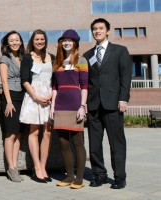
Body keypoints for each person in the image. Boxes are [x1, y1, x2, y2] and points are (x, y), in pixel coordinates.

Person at [83, 18, 132, 189]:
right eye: (95, 29)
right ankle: (99, 175)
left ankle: (119, 176)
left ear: (108, 31)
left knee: (116, 143)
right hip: (94, 105)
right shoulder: (87, 55)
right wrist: (84, 103)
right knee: (94, 144)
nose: (97, 31)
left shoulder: (120, 51)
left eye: (101, 28)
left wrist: (123, 98)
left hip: (113, 104)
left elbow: (125, 77)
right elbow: (86, 82)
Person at [50, 30, 88, 189]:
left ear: (75, 43)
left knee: (77, 142)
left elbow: (85, 86)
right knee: (63, 142)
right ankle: (69, 176)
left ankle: (79, 178)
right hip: (60, 105)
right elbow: (55, 87)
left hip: (75, 104)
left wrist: (82, 106)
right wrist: (52, 107)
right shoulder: (58, 62)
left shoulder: (81, 59)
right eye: (64, 40)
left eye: (69, 40)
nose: (66, 43)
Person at [20, 29, 55, 183]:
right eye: (36, 39)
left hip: (49, 97)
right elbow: (25, 79)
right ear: (32, 42)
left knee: (47, 133)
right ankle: (36, 167)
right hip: (34, 96)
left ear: (45, 40)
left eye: (42, 39)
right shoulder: (27, 58)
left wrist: (50, 95)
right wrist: (36, 96)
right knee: (34, 132)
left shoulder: (52, 57)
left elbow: (56, 79)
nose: (39, 42)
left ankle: (43, 166)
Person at [0, 31, 25, 182]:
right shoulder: (5, 58)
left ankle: (15, 166)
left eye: (17, 40)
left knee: (19, 133)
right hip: (11, 98)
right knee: (10, 133)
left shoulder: (22, 58)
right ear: (7, 43)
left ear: (21, 42)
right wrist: (8, 101)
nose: (14, 42)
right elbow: (4, 81)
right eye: (11, 40)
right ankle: (11, 168)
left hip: (23, 97)